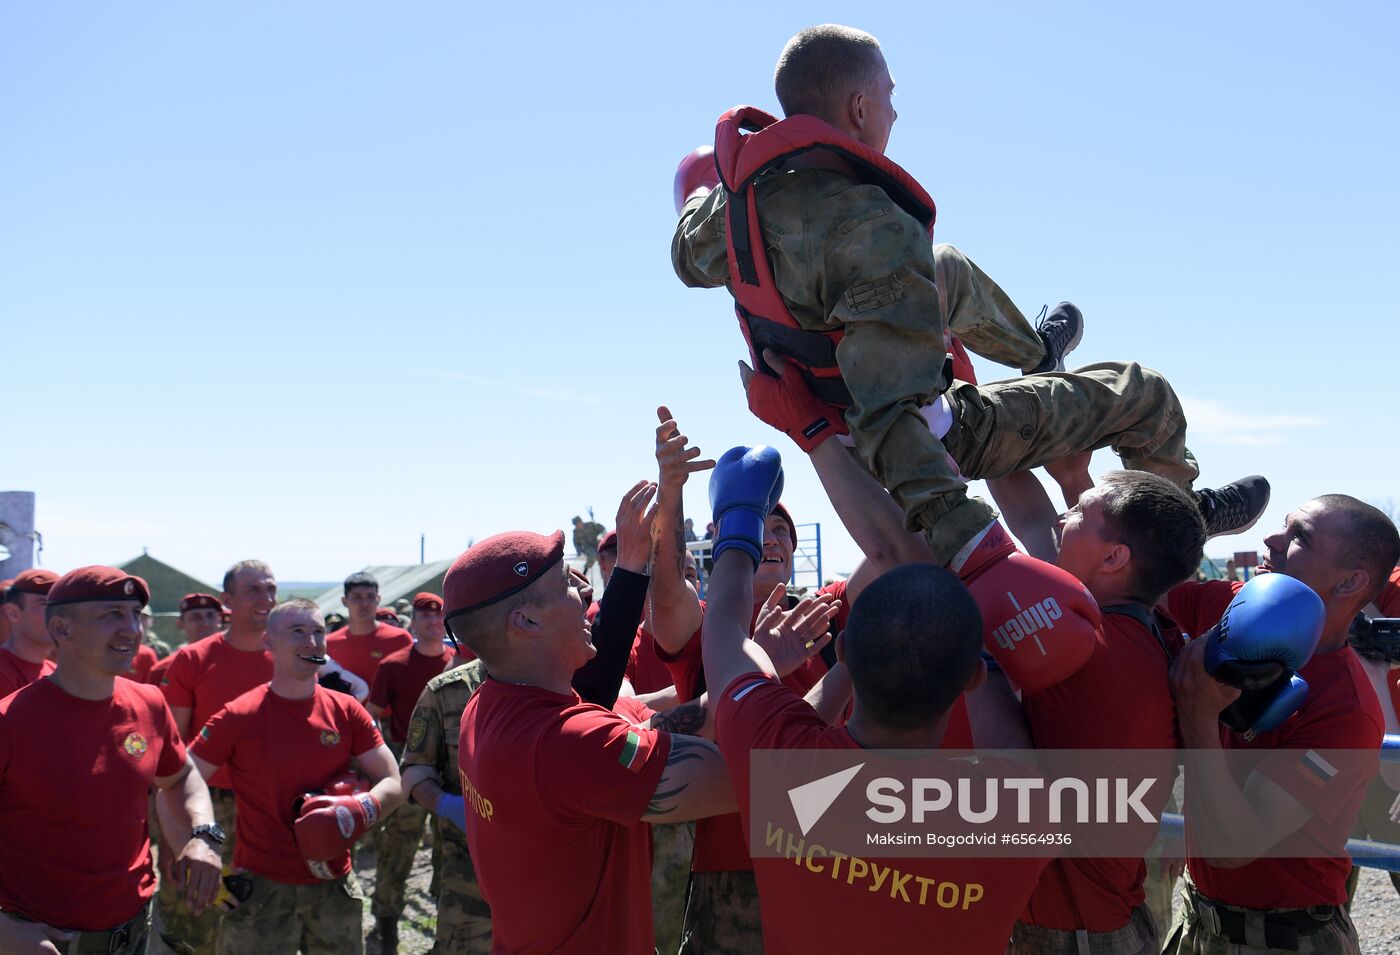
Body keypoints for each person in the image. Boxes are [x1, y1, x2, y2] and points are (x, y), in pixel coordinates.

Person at [672, 23, 1269, 573]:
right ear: (858, 108)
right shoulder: (874, 225)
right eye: (888, 96)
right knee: (1144, 393)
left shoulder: (735, 208)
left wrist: (708, 193)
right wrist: (975, 549)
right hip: (929, 432)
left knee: (943, 267)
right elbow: (892, 418)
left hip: (827, 388)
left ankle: (1037, 354)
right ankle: (1185, 519)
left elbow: (685, 257)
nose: (895, 111)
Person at [699, 445, 1052, 951]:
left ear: (844, 649)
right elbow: (1007, 739)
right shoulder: (1018, 809)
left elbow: (726, 640)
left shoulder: (777, 759)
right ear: (969, 678)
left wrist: (739, 521)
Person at [445, 529, 736, 953]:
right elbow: (764, 788)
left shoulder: (488, 704)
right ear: (526, 620)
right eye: (566, 581)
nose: (584, 591)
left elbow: (637, 733)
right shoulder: (564, 742)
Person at [1164, 495, 1400, 954]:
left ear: (1351, 581)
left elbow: (1234, 844)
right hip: (1198, 922)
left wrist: (1198, 714)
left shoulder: (1347, 711)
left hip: (1282, 940)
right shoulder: (1237, 609)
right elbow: (1138, 582)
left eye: (1299, 538)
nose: (1271, 540)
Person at [1012, 470, 1207, 953]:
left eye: (1078, 511)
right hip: (1096, 922)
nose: (1063, 515)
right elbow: (1036, 524)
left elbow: (978, 551)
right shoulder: (1135, 630)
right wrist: (1008, 451)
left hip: (1072, 936)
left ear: (1116, 557)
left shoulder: (1090, 648)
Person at [0, 566, 222, 955]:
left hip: (133, 929)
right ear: (62, 629)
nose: (132, 629)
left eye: (135, 615)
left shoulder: (148, 703)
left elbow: (182, 776)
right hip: (40, 939)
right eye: (111, 615)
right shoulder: (10, 721)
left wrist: (203, 834)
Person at [190, 598, 404, 955]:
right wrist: (204, 839)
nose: (313, 641)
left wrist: (361, 809)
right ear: (268, 642)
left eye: (319, 632)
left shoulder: (347, 710)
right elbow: (185, 777)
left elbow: (393, 781)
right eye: (298, 631)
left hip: (333, 883)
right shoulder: (239, 714)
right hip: (260, 888)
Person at [158, 559, 278, 952]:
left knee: (262, 911)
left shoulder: (288, 655)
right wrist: (173, 837)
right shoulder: (194, 659)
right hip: (208, 806)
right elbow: (170, 751)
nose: (266, 598)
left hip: (270, 804)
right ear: (228, 600)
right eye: (254, 591)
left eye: (270, 589)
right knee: (195, 912)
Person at [365, 591, 457, 952]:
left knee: (449, 849)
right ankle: (386, 918)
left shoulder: (460, 662)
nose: (433, 623)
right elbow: (371, 712)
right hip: (409, 763)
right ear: (413, 623)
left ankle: (445, 922)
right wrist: (384, 759)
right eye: (425, 617)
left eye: (438, 617)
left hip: (452, 765)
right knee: (398, 847)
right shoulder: (394, 665)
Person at [399, 658, 494, 954]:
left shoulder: (568, 678)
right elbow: (414, 771)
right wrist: (446, 804)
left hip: (548, 872)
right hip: (470, 875)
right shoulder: (448, 691)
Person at [325, 571, 413, 688]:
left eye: (370, 597)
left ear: (378, 599)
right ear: (344, 601)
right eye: (357, 597)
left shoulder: (400, 639)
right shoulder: (330, 643)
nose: (364, 603)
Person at [0, 568, 57, 698]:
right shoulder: (3, 674)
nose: (59, 616)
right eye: (45, 605)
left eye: (60, 607)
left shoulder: (56, 672)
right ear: (13, 613)